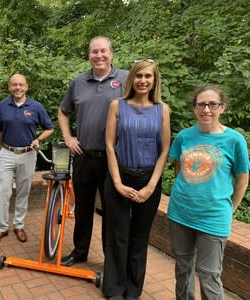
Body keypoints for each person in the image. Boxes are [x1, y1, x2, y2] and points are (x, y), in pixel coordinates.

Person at [167, 84, 249, 300]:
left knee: (209, 276)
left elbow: (242, 177)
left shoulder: (234, 140)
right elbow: (178, 168)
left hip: (214, 218)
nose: (206, 110)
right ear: (194, 108)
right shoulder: (184, 136)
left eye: (212, 104)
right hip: (180, 213)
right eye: (201, 104)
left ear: (222, 107)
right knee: (183, 269)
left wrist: (231, 208)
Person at [102, 59, 170, 300]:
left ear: (154, 81)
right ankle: (114, 288)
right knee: (116, 234)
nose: (143, 81)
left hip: (148, 180)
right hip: (119, 176)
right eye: (139, 76)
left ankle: (133, 289)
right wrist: (118, 183)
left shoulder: (162, 110)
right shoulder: (117, 106)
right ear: (132, 79)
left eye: (148, 76)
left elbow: (164, 150)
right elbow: (110, 145)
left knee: (139, 236)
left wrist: (151, 185)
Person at [58, 36, 128, 267]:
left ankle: (111, 259)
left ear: (112, 54)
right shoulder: (78, 82)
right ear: (89, 55)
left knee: (111, 211)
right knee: (83, 209)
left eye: (103, 51)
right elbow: (63, 112)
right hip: (83, 157)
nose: (99, 55)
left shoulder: (126, 80)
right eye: (94, 52)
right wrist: (68, 137)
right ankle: (80, 252)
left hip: (113, 161)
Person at [0, 74, 54, 244]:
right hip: (7, 153)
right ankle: (2, 228)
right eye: (14, 85)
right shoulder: (3, 106)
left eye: (21, 85)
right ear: (9, 87)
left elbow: (50, 128)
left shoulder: (36, 106)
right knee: (3, 192)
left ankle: (18, 225)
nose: (18, 87)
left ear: (27, 87)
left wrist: (38, 139)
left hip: (28, 154)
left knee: (23, 191)